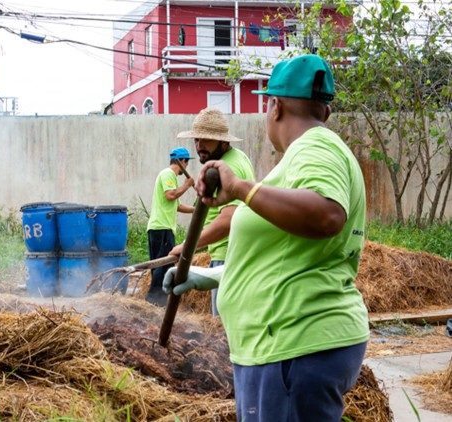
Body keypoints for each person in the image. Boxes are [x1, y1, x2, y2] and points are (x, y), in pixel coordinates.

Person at [166, 54, 370, 421]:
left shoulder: (314, 147)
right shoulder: (297, 162)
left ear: (274, 107)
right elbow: (285, 256)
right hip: (284, 347)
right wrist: (211, 276)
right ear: (324, 110)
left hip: (292, 346)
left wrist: (243, 189)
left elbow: (326, 214)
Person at [168, 108, 255, 316]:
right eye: (197, 140)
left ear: (223, 142)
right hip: (226, 255)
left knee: (222, 331)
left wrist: (186, 247)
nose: (199, 146)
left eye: (207, 140)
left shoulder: (228, 167)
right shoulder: (233, 158)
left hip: (229, 258)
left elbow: (227, 221)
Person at [145, 147, 195, 306]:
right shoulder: (168, 174)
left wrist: (197, 210)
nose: (187, 167)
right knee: (164, 265)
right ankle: (154, 301)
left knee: (159, 265)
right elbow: (171, 195)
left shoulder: (170, 177)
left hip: (160, 228)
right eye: (187, 163)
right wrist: (187, 185)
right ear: (182, 161)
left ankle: (156, 302)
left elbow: (177, 205)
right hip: (162, 227)